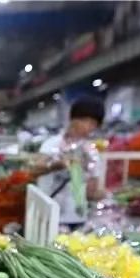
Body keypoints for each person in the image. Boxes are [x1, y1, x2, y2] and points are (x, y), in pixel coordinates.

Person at [33, 96, 105, 231]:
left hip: (77, 218)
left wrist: (104, 195)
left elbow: (91, 192)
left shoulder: (91, 152)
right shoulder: (52, 144)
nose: (89, 127)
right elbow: (34, 169)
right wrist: (57, 165)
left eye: (94, 124)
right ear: (73, 119)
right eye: (86, 121)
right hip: (49, 216)